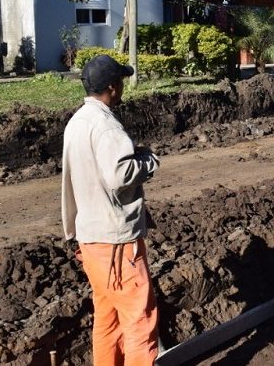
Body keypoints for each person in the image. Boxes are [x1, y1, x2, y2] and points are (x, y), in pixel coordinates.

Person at [61, 54, 161, 366]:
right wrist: (147, 161)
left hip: (90, 238)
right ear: (113, 87)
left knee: (108, 320)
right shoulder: (106, 127)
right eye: (120, 82)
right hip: (117, 242)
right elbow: (119, 175)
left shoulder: (77, 122)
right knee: (139, 322)